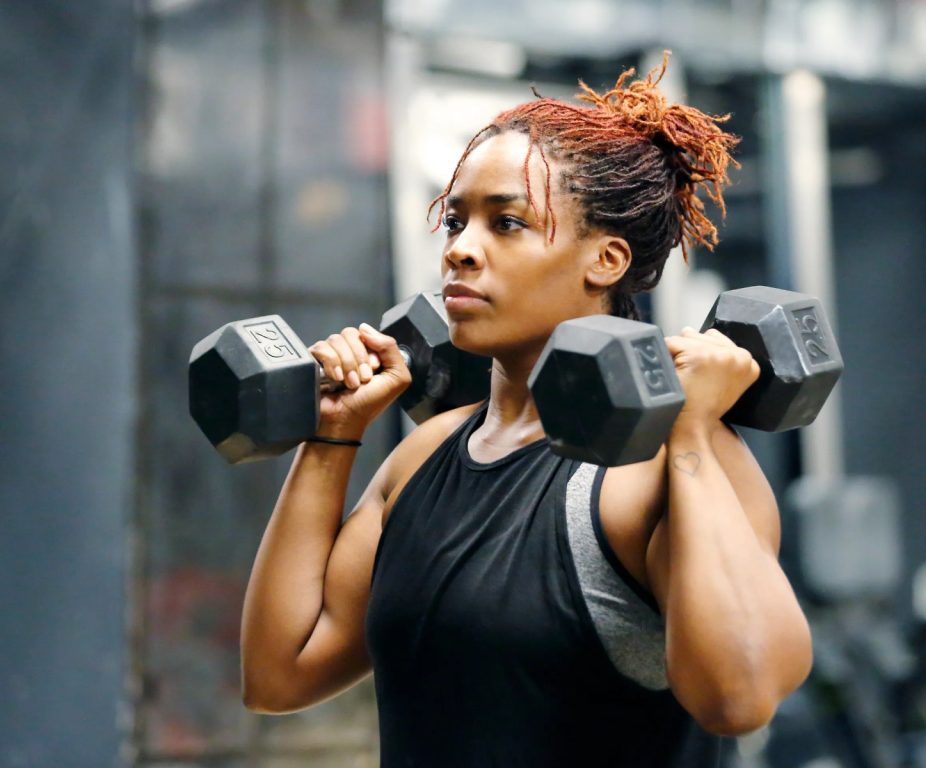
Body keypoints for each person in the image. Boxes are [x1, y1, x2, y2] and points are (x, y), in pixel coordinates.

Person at [239, 54, 813, 766]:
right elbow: (279, 672)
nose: (461, 252)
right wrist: (332, 437)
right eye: (455, 221)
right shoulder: (424, 455)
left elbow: (741, 696)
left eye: (505, 223)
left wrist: (693, 428)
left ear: (603, 260)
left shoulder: (661, 461)